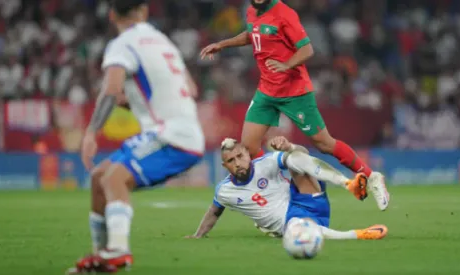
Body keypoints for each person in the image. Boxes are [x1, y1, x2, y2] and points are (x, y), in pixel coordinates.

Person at [200, 0, 390, 211]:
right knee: (248, 149)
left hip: (294, 91)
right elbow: (252, 35)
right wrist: (223, 44)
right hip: (266, 91)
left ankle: (372, 177)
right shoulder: (252, 11)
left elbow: (307, 49)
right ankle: (274, 196)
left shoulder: (284, 13)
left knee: (324, 143)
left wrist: (286, 65)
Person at [67, 0, 204, 273]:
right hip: (183, 131)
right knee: (99, 178)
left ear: (111, 15)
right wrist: (138, 103)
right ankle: (102, 256)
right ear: (143, 11)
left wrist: (92, 132)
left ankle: (117, 250)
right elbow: (191, 88)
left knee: (114, 177)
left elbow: (111, 89)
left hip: (171, 135)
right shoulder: (163, 41)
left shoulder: (123, 44)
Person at [185, 137, 388, 240]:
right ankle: (358, 234)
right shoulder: (224, 190)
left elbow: (303, 156)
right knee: (296, 227)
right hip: (292, 222)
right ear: (225, 166)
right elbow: (214, 212)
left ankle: (348, 184)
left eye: (240, 156)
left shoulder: (266, 162)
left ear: (247, 154)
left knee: (293, 158)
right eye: (231, 160)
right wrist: (198, 235)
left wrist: (289, 146)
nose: (238, 163)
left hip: (307, 198)